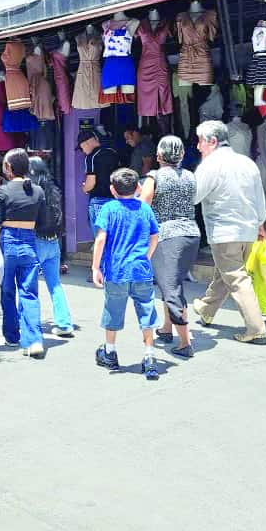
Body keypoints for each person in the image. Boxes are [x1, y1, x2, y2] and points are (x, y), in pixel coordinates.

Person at [190, 120, 266, 345]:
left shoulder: (210, 165)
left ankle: (256, 328)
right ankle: (207, 309)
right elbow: (260, 199)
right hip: (248, 231)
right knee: (226, 272)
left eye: (201, 141)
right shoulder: (247, 163)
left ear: (213, 141)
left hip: (225, 232)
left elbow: (194, 195)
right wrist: (261, 224)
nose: (198, 146)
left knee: (236, 277)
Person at [91, 168, 162, 379]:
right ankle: (149, 355)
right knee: (146, 310)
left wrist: (95, 267)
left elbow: (101, 239)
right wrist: (146, 256)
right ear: (138, 187)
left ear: (113, 190)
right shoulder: (145, 209)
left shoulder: (109, 209)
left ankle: (110, 352)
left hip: (117, 270)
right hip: (141, 269)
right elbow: (155, 236)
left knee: (113, 310)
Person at [139, 135, 200, 357]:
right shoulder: (191, 176)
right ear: (182, 154)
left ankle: (184, 342)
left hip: (167, 236)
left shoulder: (154, 177)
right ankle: (166, 328)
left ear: (158, 156)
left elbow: (144, 206)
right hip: (191, 234)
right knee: (171, 283)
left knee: (171, 288)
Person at [0, 148, 47, 358]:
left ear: (8, 167)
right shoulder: (38, 191)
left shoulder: (2, 191)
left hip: (8, 243)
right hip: (29, 242)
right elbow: (43, 222)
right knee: (29, 293)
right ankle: (34, 340)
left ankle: (12, 336)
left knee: (7, 291)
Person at [28, 156, 73, 338]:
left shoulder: (31, 191)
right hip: (53, 242)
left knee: (29, 285)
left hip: (36, 240)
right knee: (55, 284)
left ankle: (31, 325)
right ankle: (64, 323)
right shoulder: (54, 190)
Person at [79, 129, 120, 280]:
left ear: (87, 143)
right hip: (116, 199)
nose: (83, 151)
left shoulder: (91, 157)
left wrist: (84, 188)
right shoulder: (113, 152)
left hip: (98, 201)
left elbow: (91, 182)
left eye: (82, 148)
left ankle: (101, 272)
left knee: (100, 236)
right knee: (114, 236)